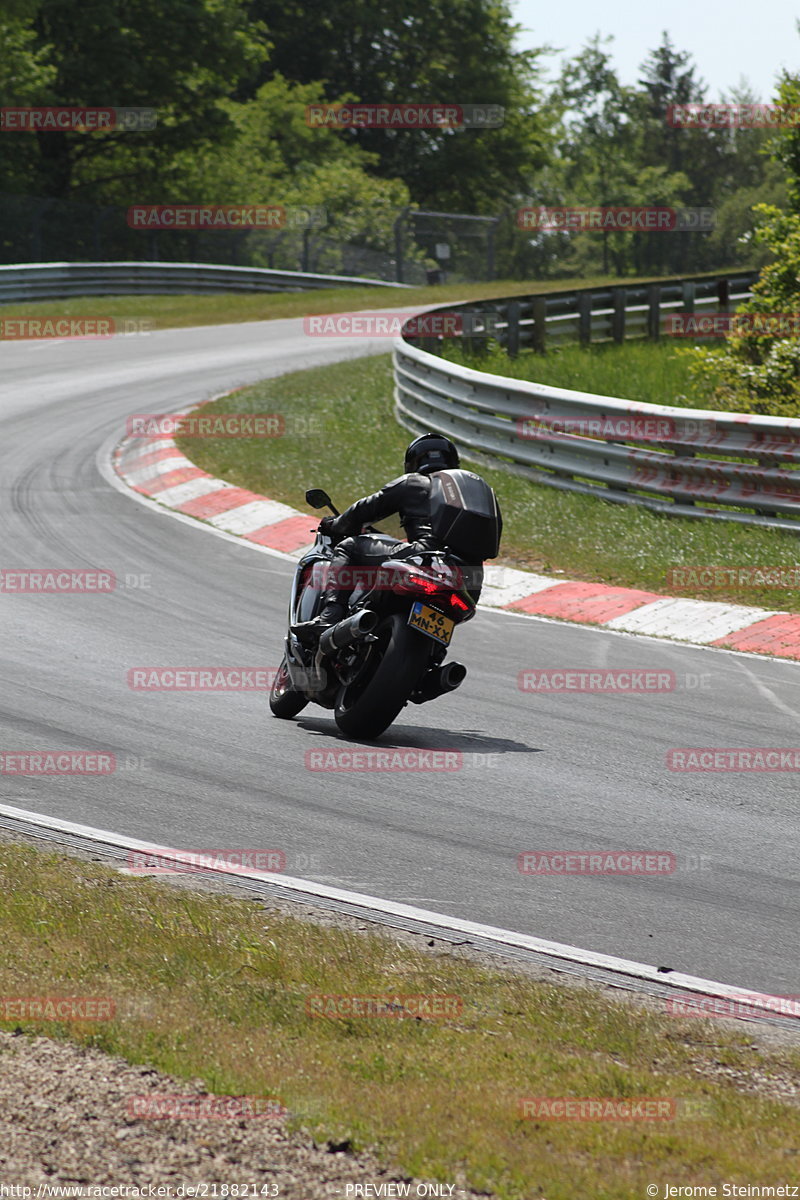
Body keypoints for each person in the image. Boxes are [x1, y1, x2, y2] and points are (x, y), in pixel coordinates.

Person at [292, 433, 482, 646]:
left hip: (424, 559)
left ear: (413, 463)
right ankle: (433, 661)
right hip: (468, 581)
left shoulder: (415, 482)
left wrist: (335, 525)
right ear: (453, 463)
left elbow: (363, 510)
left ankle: (329, 618)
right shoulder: (473, 494)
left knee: (348, 547)